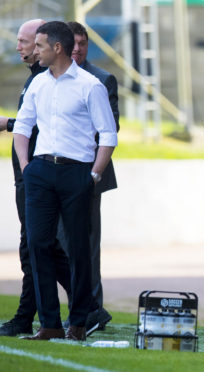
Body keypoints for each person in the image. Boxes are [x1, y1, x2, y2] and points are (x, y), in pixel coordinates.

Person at [13, 21, 117, 341]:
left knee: (78, 250)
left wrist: (94, 175)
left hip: (78, 173)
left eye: (40, 46)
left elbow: (108, 135)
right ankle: (50, 323)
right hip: (40, 173)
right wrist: (27, 166)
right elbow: (23, 128)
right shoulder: (37, 85)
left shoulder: (90, 85)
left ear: (57, 48)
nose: (35, 51)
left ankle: (79, 322)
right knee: (38, 244)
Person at [0, 19, 72, 338]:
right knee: (37, 246)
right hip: (28, 174)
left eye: (26, 42)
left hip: (40, 174)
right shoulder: (35, 79)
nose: (20, 47)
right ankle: (81, 307)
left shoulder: (50, 78)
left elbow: (48, 125)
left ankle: (40, 315)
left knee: (37, 247)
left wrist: (8, 123)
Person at [65, 21, 119, 333]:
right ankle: (87, 309)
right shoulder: (48, 79)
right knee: (56, 244)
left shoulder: (102, 79)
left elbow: (110, 129)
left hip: (88, 175)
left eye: (82, 44)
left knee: (87, 244)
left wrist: (93, 172)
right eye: (72, 43)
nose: (77, 49)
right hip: (53, 174)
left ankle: (90, 311)